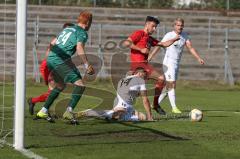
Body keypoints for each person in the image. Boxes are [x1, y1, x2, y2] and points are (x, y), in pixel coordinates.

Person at [36, 11, 94, 124]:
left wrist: (49, 57)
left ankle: (43, 111)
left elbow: (53, 42)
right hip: (61, 59)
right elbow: (79, 48)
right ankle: (68, 111)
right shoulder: (82, 32)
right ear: (87, 23)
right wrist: (87, 64)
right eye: (91, 22)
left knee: (60, 85)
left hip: (52, 57)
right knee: (80, 85)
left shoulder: (68, 29)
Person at [123, 16, 180, 115]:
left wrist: (174, 39)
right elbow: (126, 43)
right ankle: (148, 109)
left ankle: (154, 106)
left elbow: (164, 44)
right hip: (138, 66)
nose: (154, 29)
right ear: (147, 24)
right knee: (157, 81)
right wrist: (140, 49)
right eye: (153, 26)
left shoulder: (149, 39)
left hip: (144, 66)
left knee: (158, 81)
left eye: (156, 27)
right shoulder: (139, 33)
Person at [148, 17, 205, 113]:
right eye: (178, 25)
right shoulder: (169, 35)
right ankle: (174, 107)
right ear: (174, 26)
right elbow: (159, 46)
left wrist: (198, 58)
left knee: (168, 87)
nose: (180, 27)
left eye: (181, 25)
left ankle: (154, 104)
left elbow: (190, 48)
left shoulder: (184, 36)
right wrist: (151, 56)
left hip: (176, 63)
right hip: (169, 62)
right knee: (171, 84)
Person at [28, 23, 74, 116]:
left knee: (55, 90)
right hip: (49, 66)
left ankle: (41, 107)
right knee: (55, 90)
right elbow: (49, 55)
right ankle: (37, 105)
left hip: (52, 66)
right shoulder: (58, 41)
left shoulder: (63, 41)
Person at [76, 67, 153, 121]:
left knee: (142, 117)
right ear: (139, 73)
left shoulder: (124, 79)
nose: (145, 77)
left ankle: (113, 115)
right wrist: (150, 117)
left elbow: (127, 91)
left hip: (121, 103)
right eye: (144, 74)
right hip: (123, 105)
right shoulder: (140, 80)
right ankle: (88, 112)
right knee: (112, 115)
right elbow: (145, 100)